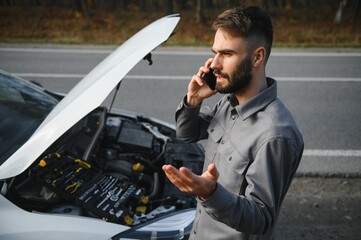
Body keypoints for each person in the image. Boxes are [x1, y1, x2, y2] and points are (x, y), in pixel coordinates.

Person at [162, 5, 304, 240]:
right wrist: (193, 100)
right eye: (215, 52)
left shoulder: (276, 134)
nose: (214, 64)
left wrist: (210, 193)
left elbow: (261, 219)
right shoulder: (229, 103)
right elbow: (186, 134)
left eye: (227, 54)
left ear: (257, 57)